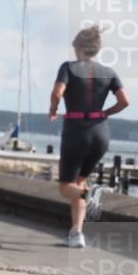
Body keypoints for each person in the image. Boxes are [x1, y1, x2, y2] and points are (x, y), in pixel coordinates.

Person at [49, 26, 129, 248]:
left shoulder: (69, 67)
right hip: (101, 133)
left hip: (77, 131)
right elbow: (125, 101)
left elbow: (57, 93)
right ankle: (77, 233)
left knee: (67, 187)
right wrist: (105, 113)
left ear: (78, 47)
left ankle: (90, 194)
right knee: (79, 182)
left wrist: (53, 108)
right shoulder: (109, 72)